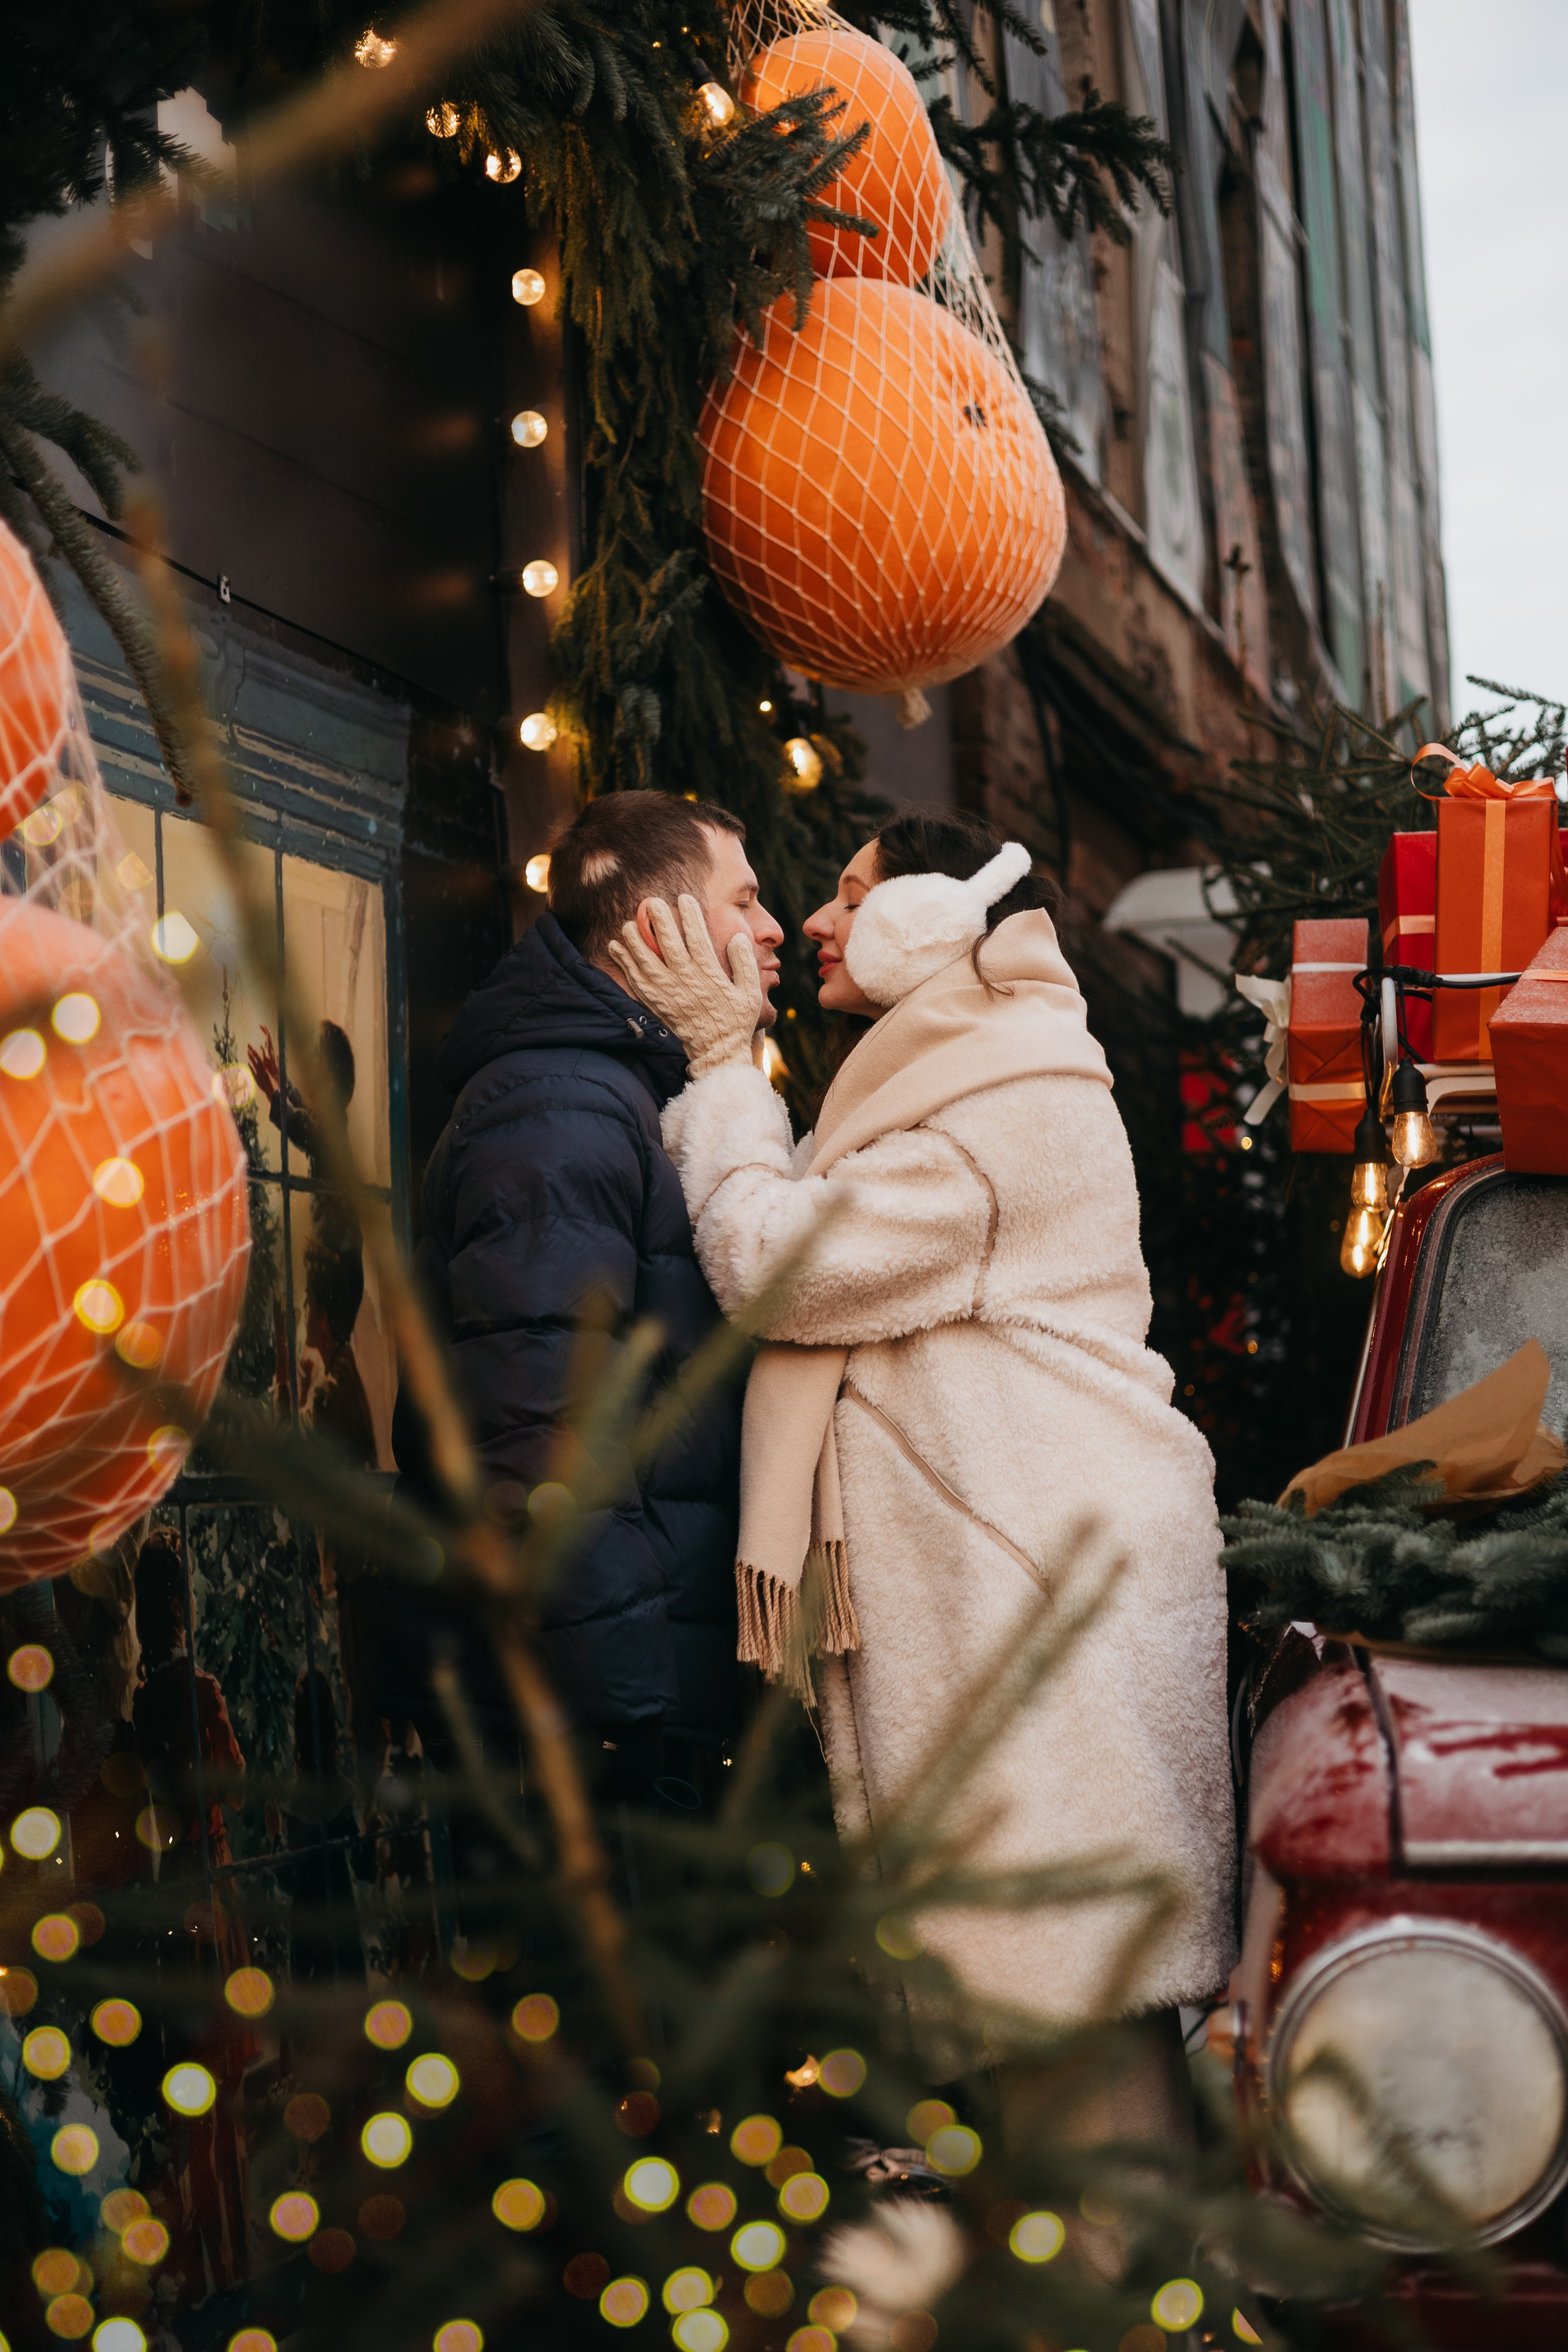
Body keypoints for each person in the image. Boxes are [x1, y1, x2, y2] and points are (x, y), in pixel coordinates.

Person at [611, 809, 1236, 2101]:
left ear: (930, 922)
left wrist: (727, 1066)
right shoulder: (964, 1075)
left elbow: (779, 1268)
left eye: (852, 896)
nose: (820, 922)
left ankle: (1130, 2305)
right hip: (1024, 1588)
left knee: (1067, 2030)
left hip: (1031, 1613)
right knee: (1056, 2031)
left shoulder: (993, 1107)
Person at [389, 790, 785, 1807]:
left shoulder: (621, 1086)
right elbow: (543, 1428)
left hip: (636, 1691)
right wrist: (623, 1727)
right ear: (661, 926)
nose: (774, 927)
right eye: (745, 901)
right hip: (601, 1726)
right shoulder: (560, 1104)